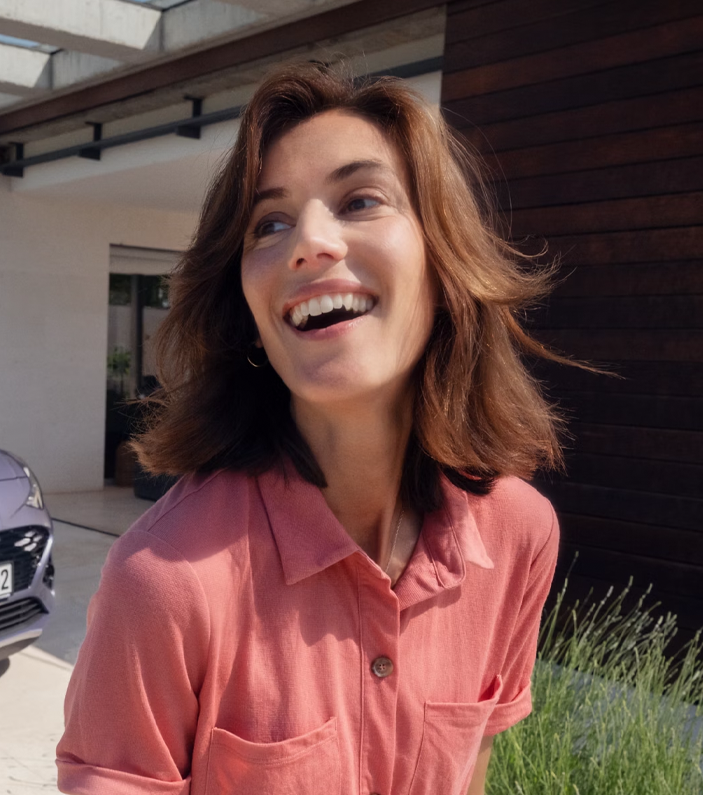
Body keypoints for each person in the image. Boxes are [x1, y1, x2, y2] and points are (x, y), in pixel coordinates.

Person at [56, 61, 606, 795]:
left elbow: (468, 772)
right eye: (269, 223)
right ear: (251, 316)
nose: (307, 241)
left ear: (445, 267)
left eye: (361, 199)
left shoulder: (519, 532)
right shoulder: (161, 580)